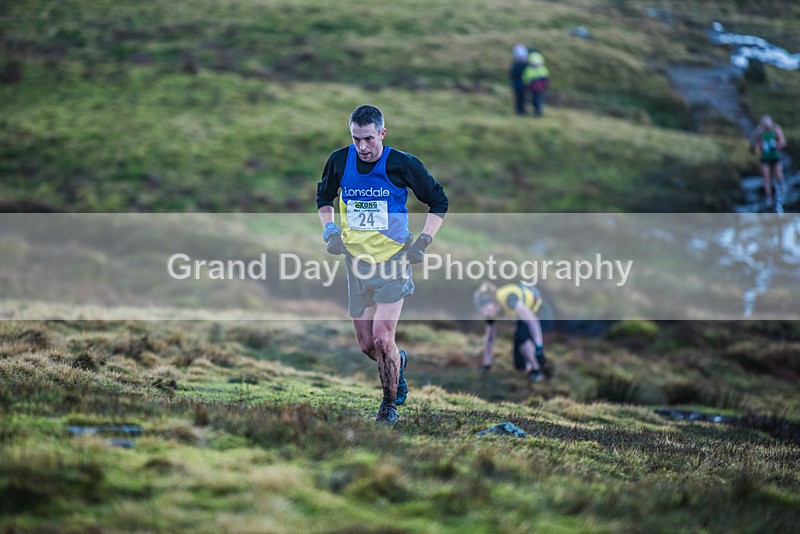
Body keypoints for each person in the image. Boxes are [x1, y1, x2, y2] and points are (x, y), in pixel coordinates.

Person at [316, 104, 448, 424]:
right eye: (356, 139)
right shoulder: (338, 160)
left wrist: (423, 242)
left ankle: (389, 407)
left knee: (382, 338)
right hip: (356, 264)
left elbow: (438, 201)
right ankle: (397, 362)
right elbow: (324, 198)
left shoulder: (403, 164)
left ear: (382, 134)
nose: (362, 146)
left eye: (369, 139)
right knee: (366, 346)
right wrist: (330, 230)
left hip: (394, 262)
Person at [473, 281, 553, 381]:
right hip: (525, 317)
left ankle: (537, 371)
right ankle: (532, 367)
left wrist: (538, 348)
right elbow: (489, 337)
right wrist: (487, 364)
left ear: (493, 301)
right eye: (482, 310)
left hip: (540, 313)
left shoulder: (509, 299)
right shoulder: (491, 314)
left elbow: (533, 321)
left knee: (523, 337)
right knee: (519, 365)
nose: (485, 312)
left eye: (486, 307)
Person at [749, 114, 787, 208]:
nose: (767, 126)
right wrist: (757, 145)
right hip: (765, 157)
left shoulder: (776, 129)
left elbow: (783, 142)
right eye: (765, 124)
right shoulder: (759, 130)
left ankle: (781, 191)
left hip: (775, 156)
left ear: (771, 123)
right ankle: (768, 197)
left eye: (768, 124)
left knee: (778, 175)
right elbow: (753, 142)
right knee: (766, 176)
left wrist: (776, 144)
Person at [521, 49, 550, 117]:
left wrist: (546, 85)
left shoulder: (543, 69)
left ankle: (538, 113)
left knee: (538, 100)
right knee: (532, 100)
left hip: (540, 89)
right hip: (532, 89)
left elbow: (546, 79)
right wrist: (526, 86)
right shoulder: (528, 70)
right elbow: (525, 79)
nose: (536, 64)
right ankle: (534, 112)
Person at [509, 44, 529, 115]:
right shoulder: (517, 65)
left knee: (523, 98)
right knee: (519, 98)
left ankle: (521, 111)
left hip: (521, 84)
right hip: (518, 84)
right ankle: (520, 111)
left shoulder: (516, 64)